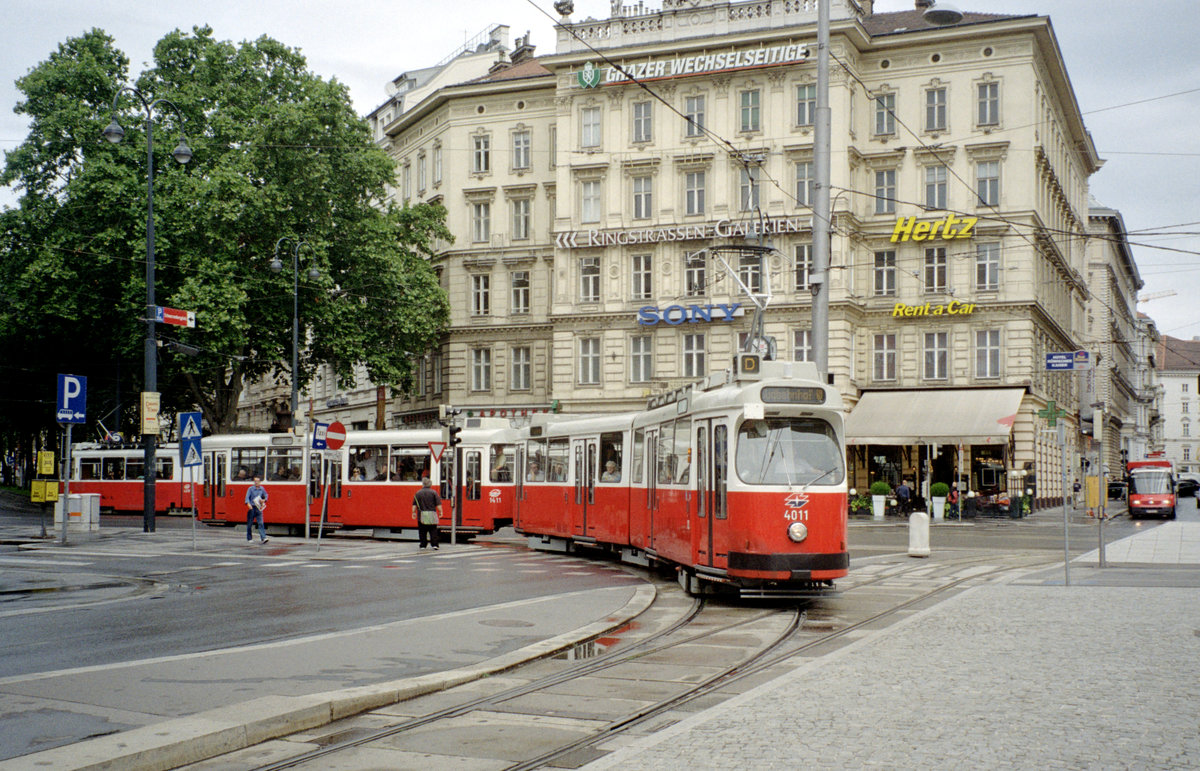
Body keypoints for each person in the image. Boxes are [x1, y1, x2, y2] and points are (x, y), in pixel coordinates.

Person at [412, 476, 442, 550]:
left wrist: (413, 512)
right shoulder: (434, 492)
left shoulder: (418, 493)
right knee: (433, 530)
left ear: (423, 484)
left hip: (421, 515)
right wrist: (440, 512)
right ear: (430, 485)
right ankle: (434, 544)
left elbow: (414, 505)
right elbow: (438, 504)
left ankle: (423, 544)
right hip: (432, 514)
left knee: (422, 530)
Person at [245, 476, 269, 543]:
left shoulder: (262, 489)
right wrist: (248, 504)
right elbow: (247, 497)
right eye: (255, 481)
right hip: (252, 507)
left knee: (260, 523)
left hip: (258, 507)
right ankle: (249, 538)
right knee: (250, 524)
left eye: (257, 481)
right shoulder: (250, 489)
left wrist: (264, 500)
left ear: (260, 482)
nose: (256, 482)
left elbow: (266, 494)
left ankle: (263, 537)